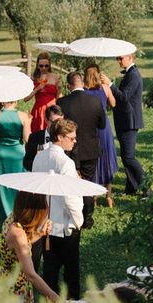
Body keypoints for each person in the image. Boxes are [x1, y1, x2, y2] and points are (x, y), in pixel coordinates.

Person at [31, 119, 84, 298]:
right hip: (65, 225)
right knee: (71, 272)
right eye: (72, 138)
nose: (74, 141)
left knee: (50, 270)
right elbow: (71, 197)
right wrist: (79, 221)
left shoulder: (39, 156)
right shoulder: (66, 163)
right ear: (60, 137)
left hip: (44, 223)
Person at [58, 70, 107, 226]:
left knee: (71, 183)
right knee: (87, 182)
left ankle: (74, 215)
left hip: (70, 148)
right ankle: (88, 218)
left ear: (68, 85)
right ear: (82, 84)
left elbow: (59, 127)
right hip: (91, 148)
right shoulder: (96, 101)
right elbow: (102, 125)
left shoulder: (62, 103)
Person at [0, 191, 58, 303]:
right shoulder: (17, 234)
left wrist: (40, 233)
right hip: (14, 290)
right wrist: (55, 298)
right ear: (34, 212)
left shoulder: (12, 218)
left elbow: (25, 242)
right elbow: (31, 274)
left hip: (14, 284)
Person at [101, 53, 144, 195]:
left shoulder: (134, 75)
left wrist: (110, 84)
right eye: (117, 58)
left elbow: (124, 97)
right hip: (124, 121)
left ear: (130, 57)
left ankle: (148, 187)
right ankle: (131, 189)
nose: (118, 61)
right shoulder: (130, 74)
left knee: (129, 157)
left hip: (129, 122)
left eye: (121, 58)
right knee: (126, 158)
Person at [80, 65, 118, 208]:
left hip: (90, 126)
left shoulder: (83, 91)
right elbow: (113, 103)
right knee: (106, 157)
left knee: (93, 159)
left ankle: (93, 197)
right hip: (104, 126)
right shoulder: (105, 88)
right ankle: (109, 196)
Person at [0, 99, 30, 224]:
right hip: (18, 153)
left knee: (2, 185)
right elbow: (27, 138)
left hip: (2, 153)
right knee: (19, 185)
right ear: (16, 100)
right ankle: (19, 217)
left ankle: (4, 219)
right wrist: (29, 121)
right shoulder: (23, 116)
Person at [25, 52, 60, 134]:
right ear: (37, 65)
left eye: (46, 66)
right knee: (38, 134)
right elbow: (26, 99)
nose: (44, 68)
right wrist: (37, 89)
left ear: (49, 65)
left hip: (52, 109)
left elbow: (58, 96)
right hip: (39, 109)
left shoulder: (55, 77)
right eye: (41, 66)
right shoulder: (34, 78)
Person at [23, 103, 63, 171]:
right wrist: (39, 167)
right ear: (46, 120)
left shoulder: (67, 138)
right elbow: (27, 162)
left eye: (60, 122)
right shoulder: (34, 137)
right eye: (54, 122)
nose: (57, 125)